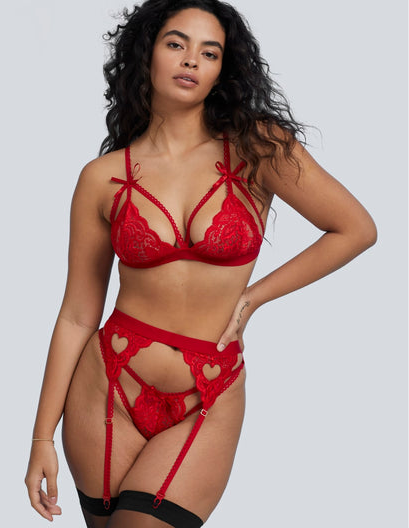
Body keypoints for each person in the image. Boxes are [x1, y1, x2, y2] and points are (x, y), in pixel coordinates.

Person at [24, 1, 377, 527]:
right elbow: (77, 314)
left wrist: (253, 298)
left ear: (221, 70)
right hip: (108, 388)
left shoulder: (257, 148)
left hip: (210, 392)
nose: (191, 60)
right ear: (147, 54)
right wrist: (40, 438)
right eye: (176, 44)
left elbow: (355, 229)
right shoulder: (101, 177)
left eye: (209, 53)